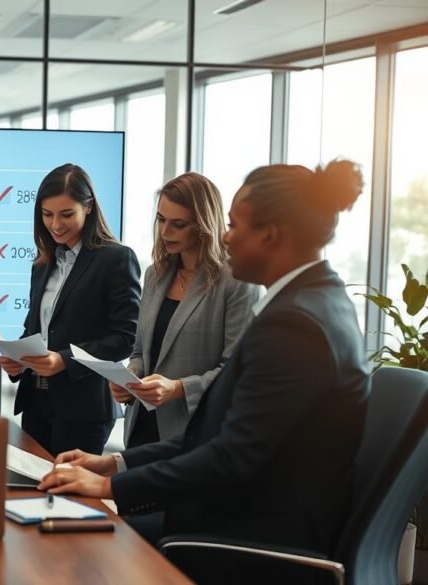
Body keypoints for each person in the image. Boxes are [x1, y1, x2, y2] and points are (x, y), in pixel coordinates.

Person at [40, 160, 370, 584]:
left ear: (270, 235)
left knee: (83, 541)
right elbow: (216, 439)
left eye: (234, 226)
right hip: (244, 512)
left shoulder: (296, 326)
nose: (226, 238)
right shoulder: (315, 302)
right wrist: (116, 465)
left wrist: (110, 489)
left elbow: (231, 457)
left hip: (252, 532)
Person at [0, 163, 141, 456]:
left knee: (70, 497)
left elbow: (126, 337)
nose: (55, 225)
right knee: (33, 495)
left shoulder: (116, 259)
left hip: (83, 409)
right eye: (47, 215)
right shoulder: (42, 263)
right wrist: (18, 359)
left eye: (66, 214)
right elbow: (34, 330)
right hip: (36, 403)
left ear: (88, 208)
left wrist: (64, 360)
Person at [116, 173, 260, 448]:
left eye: (178, 224)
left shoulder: (236, 281)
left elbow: (236, 370)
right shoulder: (155, 275)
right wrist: (129, 379)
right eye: (161, 220)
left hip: (195, 434)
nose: (164, 232)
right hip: (140, 430)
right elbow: (140, 350)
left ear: (204, 225)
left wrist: (178, 389)